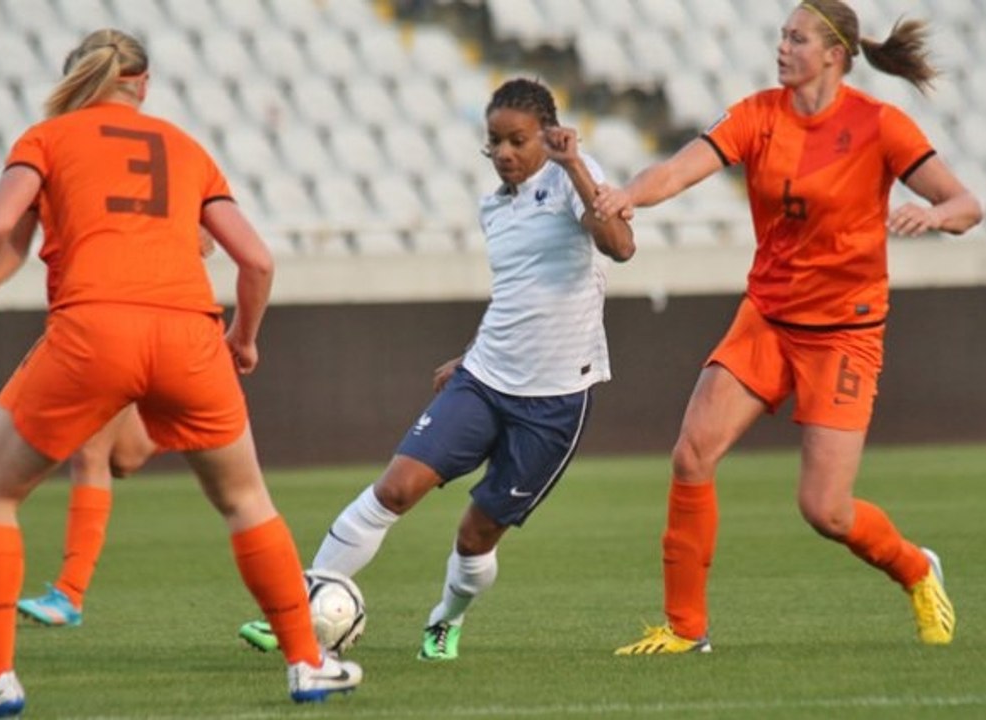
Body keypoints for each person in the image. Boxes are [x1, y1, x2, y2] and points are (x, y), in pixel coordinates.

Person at [0, 29, 360, 719]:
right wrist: (242, 340)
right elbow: (255, 261)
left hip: (93, 331)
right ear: (144, 84)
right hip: (190, 335)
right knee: (247, 500)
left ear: (77, 80)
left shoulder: (48, 136)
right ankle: (309, 664)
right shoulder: (185, 147)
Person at [591, 0, 983, 655]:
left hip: (843, 334)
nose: (781, 48)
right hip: (766, 319)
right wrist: (631, 194)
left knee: (824, 509)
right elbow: (678, 168)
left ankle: (916, 570)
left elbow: (966, 205)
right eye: (780, 35)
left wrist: (932, 216)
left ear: (832, 54)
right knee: (691, 454)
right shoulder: (757, 114)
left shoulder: (879, 125)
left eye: (795, 39)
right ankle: (686, 629)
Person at [237, 77, 635, 660]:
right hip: (485, 379)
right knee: (395, 489)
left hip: (555, 400)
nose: (503, 153)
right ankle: (297, 610)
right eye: (493, 142)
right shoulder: (494, 207)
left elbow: (620, 245)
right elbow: (515, 293)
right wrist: (473, 353)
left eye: (517, 140)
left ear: (548, 137)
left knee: (476, 535)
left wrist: (575, 166)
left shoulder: (575, 176)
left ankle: (446, 619)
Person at [0, 222, 212, 628]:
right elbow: (16, 235)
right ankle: (177, 411)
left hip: (114, 320)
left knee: (90, 452)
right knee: (126, 456)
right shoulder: (75, 175)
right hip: (103, 320)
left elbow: (204, 237)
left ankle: (70, 593)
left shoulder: (101, 173)